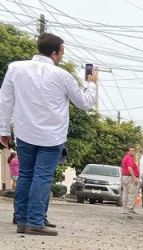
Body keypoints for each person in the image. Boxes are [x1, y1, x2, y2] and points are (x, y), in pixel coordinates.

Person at [0, 33, 96, 235]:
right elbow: (85, 103)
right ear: (54, 53)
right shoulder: (63, 76)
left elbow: (5, 101)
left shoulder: (15, 68)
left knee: (26, 175)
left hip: (24, 132)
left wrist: (3, 130)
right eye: (61, 52)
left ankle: (23, 218)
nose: (62, 56)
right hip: (52, 137)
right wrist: (91, 84)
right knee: (42, 177)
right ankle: (35, 222)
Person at [120, 145, 140, 215]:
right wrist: (134, 177)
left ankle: (125, 209)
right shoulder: (129, 158)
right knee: (132, 193)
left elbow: (122, 168)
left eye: (133, 151)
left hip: (125, 176)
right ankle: (129, 208)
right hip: (130, 177)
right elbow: (129, 168)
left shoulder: (125, 158)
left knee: (125, 193)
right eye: (131, 151)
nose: (133, 152)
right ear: (127, 151)